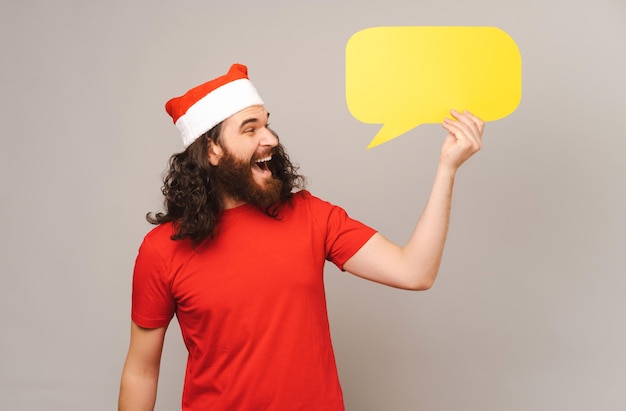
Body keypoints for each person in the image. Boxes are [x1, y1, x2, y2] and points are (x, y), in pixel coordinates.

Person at [118, 63, 484, 411]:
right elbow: (141, 370)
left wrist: (447, 168)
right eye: (250, 129)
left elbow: (414, 271)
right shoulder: (162, 250)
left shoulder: (310, 215)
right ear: (212, 150)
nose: (271, 139)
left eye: (267, 125)